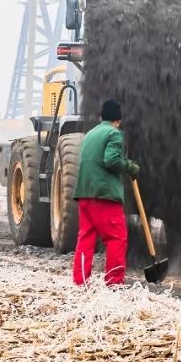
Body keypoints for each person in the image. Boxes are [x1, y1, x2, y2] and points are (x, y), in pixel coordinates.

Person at [72, 98, 140, 286]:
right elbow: (111, 160)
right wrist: (129, 166)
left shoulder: (90, 134)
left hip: (85, 194)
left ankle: (80, 282)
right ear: (118, 120)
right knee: (117, 238)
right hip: (104, 196)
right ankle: (114, 284)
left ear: (101, 116)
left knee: (86, 238)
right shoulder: (114, 133)